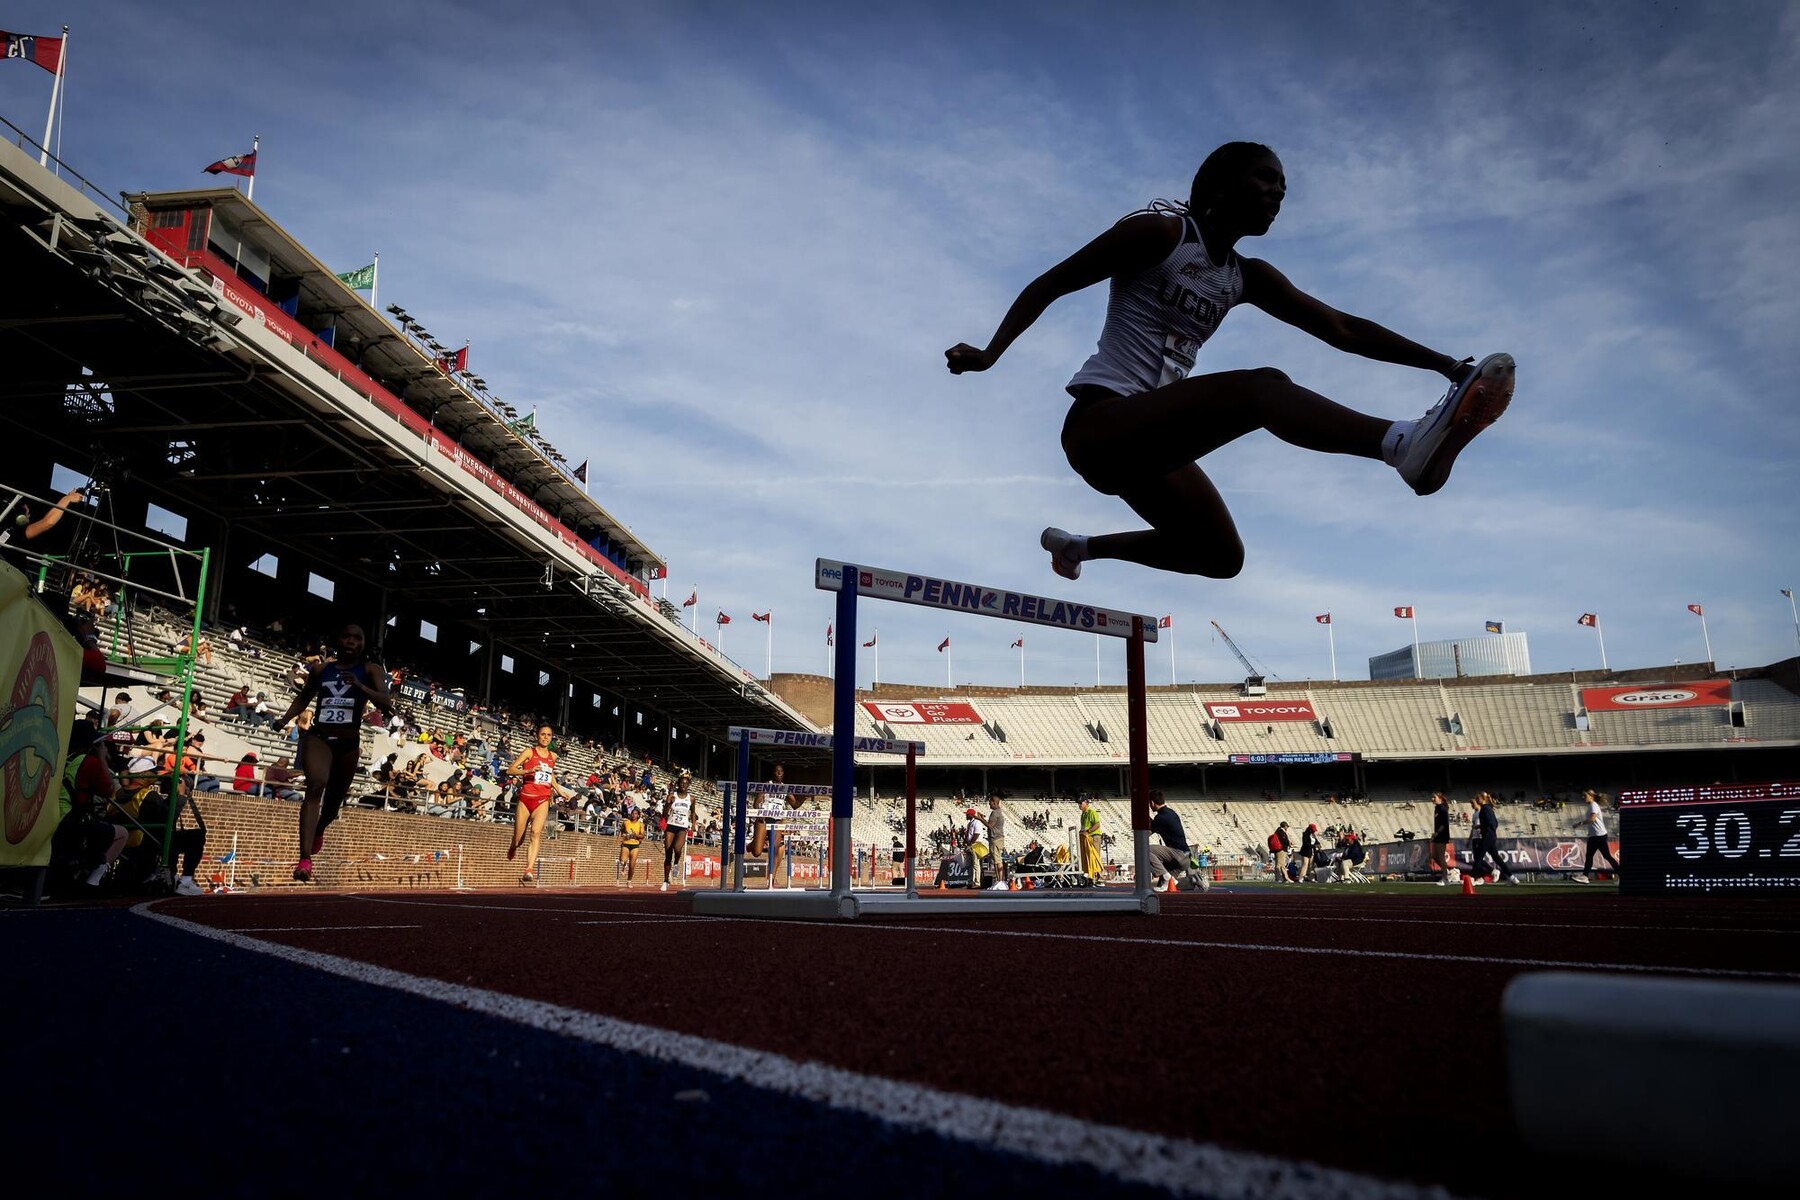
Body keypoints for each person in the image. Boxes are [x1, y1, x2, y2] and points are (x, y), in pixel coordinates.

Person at [945, 141, 1514, 582]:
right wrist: (991, 353)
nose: (1279, 191)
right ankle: (1397, 444)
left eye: (1284, 185)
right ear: (1219, 182)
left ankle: (1080, 548)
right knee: (1258, 388)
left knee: (1219, 556)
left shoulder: (1247, 276)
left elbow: (1341, 328)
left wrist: (1449, 367)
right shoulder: (1160, 233)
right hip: (1102, 425)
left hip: (1154, 445)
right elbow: (1053, 282)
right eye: (1266, 177)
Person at [272, 622, 394, 882]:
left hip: (348, 745)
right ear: (338, 640)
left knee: (332, 805)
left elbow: (385, 702)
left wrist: (360, 686)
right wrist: (284, 719)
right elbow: (304, 698)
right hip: (319, 738)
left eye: (356, 638)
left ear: (363, 644)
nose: (351, 641)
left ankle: (320, 829)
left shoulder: (370, 670)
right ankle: (305, 859)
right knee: (316, 784)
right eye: (346, 636)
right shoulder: (320, 670)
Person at [51, 720, 131, 892]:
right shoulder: (89, 762)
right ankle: (93, 882)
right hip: (70, 819)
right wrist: (102, 757)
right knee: (122, 833)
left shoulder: (60, 755)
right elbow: (109, 790)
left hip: (49, 814)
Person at [506, 724, 577, 884]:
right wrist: (528, 771)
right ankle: (513, 845)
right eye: (543, 734)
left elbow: (549, 774)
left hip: (542, 799)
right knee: (519, 839)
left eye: (548, 735)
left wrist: (558, 790)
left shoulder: (553, 756)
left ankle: (529, 870)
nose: (545, 737)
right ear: (537, 736)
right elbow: (510, 770)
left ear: (552, 738)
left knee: (536, 833)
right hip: (525, 798)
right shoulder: (529, 752)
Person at [1148, 792, 1200, 892]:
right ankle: (1193, 881)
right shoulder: (1171, 813)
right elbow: (1157, 825)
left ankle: (1166, 876)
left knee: (1144, 850)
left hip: (1177, 855)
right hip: (1186, 858)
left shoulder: (1160, 818)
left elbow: (1145, 835)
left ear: (1152, 803)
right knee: (1165, 886)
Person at [1570, 790, 1621, 884]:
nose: (1583, 797)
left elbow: (1592, 819)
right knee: (1590, 856)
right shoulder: (1591, 806)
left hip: (1599, 835)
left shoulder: (1594, 805)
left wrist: (1579, 823)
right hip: (1594, 836)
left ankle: (1621, 874)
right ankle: (1585, 876)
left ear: (1591, 796)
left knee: (1606, 856)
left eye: (1585, 795)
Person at [660, 770, 699, 891]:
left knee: (677, 848)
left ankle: (676, 863)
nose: (683, 785)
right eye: (681, 783)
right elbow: (664, 814)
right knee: (668, 850)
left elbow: (693, 813)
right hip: (671, 825)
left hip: (682, 826)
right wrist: (667, 804)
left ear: (688, 785)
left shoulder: (691, 799)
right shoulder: (672, 796)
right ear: (678, 784)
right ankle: (666, 880)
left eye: (685, 783)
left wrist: (693, 824)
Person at [1470, 792, 1518, 886]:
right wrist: (1482, 827)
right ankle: (1512, 877)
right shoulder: (1488, 808)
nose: (1476, 800)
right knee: (1496, 858)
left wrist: (1486, 830)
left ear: (1483, 799)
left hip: (1488, 836)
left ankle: (1472, 878)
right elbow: (1495, 823)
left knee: (1479, 856)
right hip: (1490, 836)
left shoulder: (1485, 809)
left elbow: (1492, 823)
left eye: (1477, 798)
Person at [1429, 791, 1453, 885]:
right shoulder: (1437, 808)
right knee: (1434, 856)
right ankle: (1447, 872)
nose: (1432, 799)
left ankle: (1445, 879)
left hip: (1442, 835)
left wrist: (1437, 832)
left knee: (1441, 856)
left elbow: (1445, 823)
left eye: (1434, 797)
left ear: (1440, 798)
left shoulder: (1442, 809)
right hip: (1437, 834)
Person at [619, 804, 645, 887]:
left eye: (636, 814)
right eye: (633, 813)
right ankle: (624, 865)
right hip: (626, 843)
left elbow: (642, 836)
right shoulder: (626, 822)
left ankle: (629, 881)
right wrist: (618, 839)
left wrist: (635, 835)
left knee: (632, 865)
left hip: (635, 845)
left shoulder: (640, 824)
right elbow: (621, 830)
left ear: (638, 815)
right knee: (622, 860)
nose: (634, 815)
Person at [1078, 796, 1102, 882]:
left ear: (1086, 803)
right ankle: (1092, 876)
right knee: (1088, 857)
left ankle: (1098, 877)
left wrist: (1088, 831)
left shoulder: (1091, 812)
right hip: (1087, 837)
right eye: (1078, 803)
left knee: (1094, 857)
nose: (1079, 805)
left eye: (1081, 803)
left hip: (1093, 836)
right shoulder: (1083, 814)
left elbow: (1097, 824)